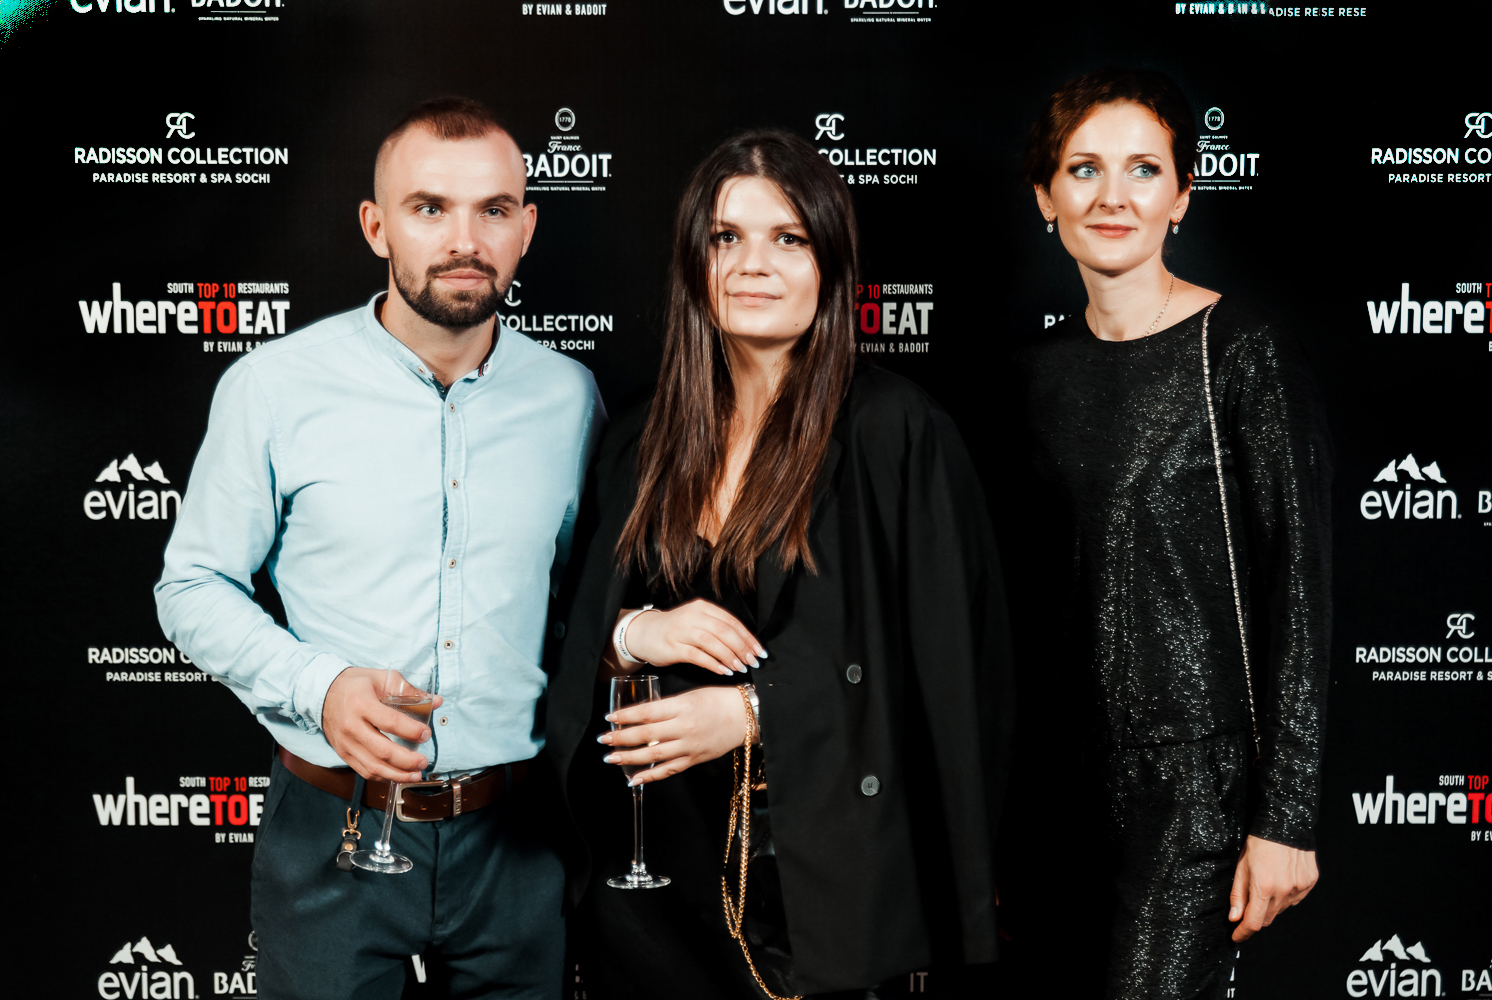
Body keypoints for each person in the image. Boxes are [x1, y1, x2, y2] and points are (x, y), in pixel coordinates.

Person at [543, 130, 1014, 1000]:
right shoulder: (639, 433)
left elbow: (951, 676)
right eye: (726, 237)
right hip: (649, 879)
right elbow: (564, 634)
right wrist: (636, 632)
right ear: (695, 261)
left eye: (787, 238)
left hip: (809, 889)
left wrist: (755, 711)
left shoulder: (895, 431)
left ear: (830, 263)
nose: (752, 264)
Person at [155, 97, 604, 1000]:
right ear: (375, 227)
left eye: (493, 209)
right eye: (429, 207)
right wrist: (320, 688)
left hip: (516, 842)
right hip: (333, 829)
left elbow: (583, 601)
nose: (464, 240)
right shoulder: (274, 387)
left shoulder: (571, 398)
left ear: (526, 229)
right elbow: (192, 585)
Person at [1010, 68, 1331, 999]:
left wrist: (1287, 817)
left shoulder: (1242, 352)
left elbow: (1300, 592)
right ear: (1045, 197)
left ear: (1182, 196)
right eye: (1084, 170)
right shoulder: (1028, 378)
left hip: (1193, 792)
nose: (1113, 196)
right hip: (1049, 797)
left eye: (1144, 170)